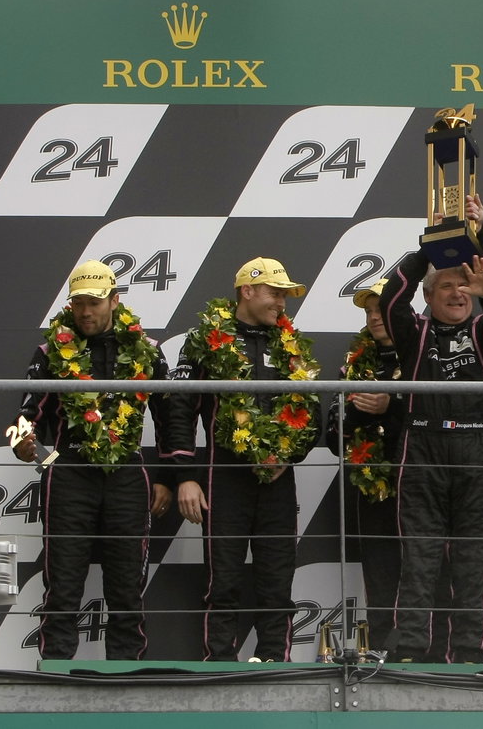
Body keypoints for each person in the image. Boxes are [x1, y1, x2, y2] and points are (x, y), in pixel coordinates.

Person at [13, 260, 179, 660]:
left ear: (115, 300)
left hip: (127, 473)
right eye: (79, 303)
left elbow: (172, 418)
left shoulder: (148, 351)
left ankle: (126, 674)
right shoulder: (51, 351)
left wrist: (167, 478)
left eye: (95, 302)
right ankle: (56, 672)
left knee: (126, 586)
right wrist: (31, 448)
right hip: (68, 472)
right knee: (63, 583)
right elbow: (24, 416)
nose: (86, 312)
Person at [170, 257, 321, 662]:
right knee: (224, 581)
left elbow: (313, 413)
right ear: (247, 291)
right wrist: (185, 475)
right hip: (225, 478)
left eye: (286, 296)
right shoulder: (205, 338)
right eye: (276, 293)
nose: (283, 303)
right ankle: (219, 662)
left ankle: (275, 660)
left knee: (277, 580)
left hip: (279, 479)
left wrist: (289, 456)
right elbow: (179, 409)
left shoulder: (291, 343)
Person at [379, 247, 483, 663]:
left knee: (473, 559)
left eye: (463, 285)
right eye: (446, 285)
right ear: (428, 295)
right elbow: (390, 300)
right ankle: (411, 650)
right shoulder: (413, 332)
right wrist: (428, 250)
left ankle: (470, 654)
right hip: (422, 446)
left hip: (477, 447)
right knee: (419, 556)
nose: (457, 293)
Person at [335, 281, 407, 654]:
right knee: (379, 574)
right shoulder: (356, 361)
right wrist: (356, 409)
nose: (374, 317)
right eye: (368, 311)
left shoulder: (424, 350)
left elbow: (437, 417)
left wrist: (390, 407)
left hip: (419, 481)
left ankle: (421, 651)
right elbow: (334, 438)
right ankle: (381, 652)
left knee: (424, 570)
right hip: (372, 487)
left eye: (381, 308)